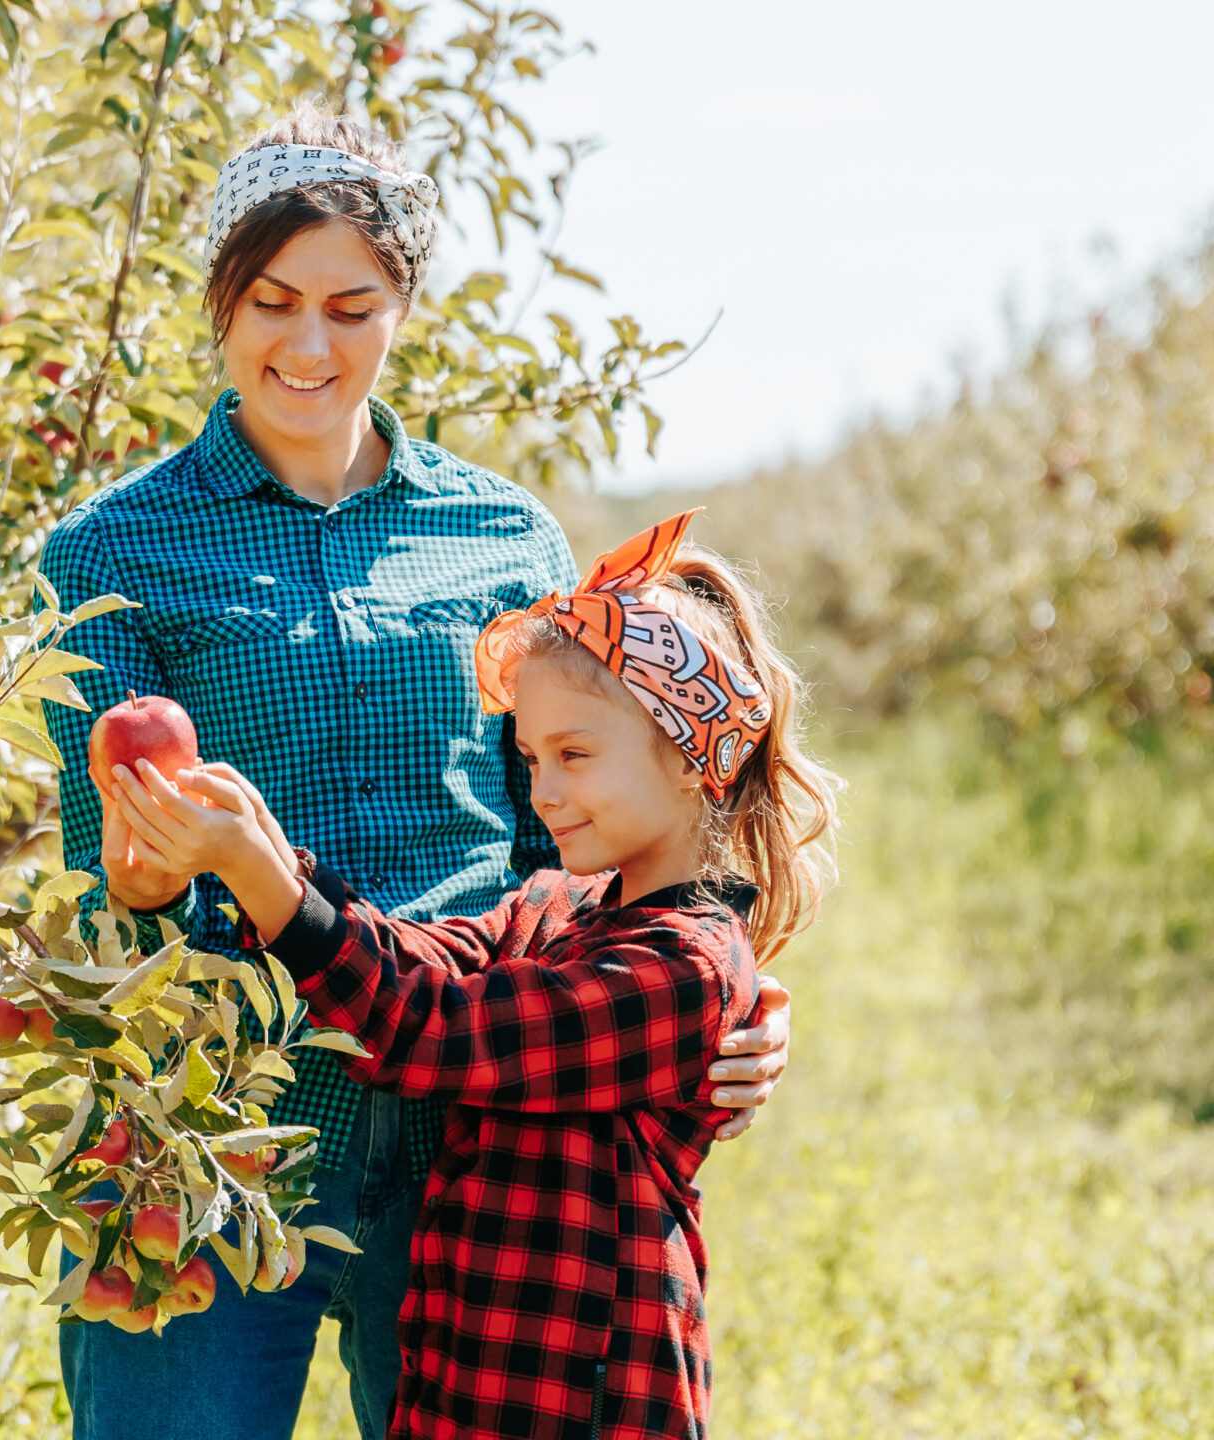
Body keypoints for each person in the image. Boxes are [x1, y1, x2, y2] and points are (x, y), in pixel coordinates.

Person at [37, 110, 795, 1440]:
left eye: (352, 305)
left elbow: (580, 835)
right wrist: (149, 875)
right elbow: (109, 885)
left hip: (477, 1143)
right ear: (221, 298)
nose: (309, 345)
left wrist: (725, 1001)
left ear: (403, 308)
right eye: (271, 302)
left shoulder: (502, 538)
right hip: (213, 1133)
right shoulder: (114, 551)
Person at [104, 510, 840, 1440]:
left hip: (584, 1400)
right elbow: (424, 960)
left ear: (696, 759)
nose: (543, 792)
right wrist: (278, 866)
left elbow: (436, 1028)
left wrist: (264, 880)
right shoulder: (559, 904)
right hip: (470, 1383)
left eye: (576, 755)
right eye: (531, 757)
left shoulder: (679, 969)